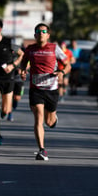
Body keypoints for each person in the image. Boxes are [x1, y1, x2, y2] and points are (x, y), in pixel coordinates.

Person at [20, 23, 71, 161]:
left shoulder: (54, 48)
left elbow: (67, 64)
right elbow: (23, 62)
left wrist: (61, 72)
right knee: (39, 117)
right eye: (38, 31)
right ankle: (42, 150)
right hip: (36, 89)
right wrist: (23, 71)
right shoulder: (30, 49)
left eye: (44, 31)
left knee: (49, 121)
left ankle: (53, 119)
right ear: (35, 35)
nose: (41, 33)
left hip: (52, 89)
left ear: (48, 35)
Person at [0, 18, 24, 145]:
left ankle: (5, 111)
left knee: (6, 110)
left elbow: (21, 54)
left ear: (0, 29)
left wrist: (13, 65)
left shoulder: (9, 43)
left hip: (8, 79)